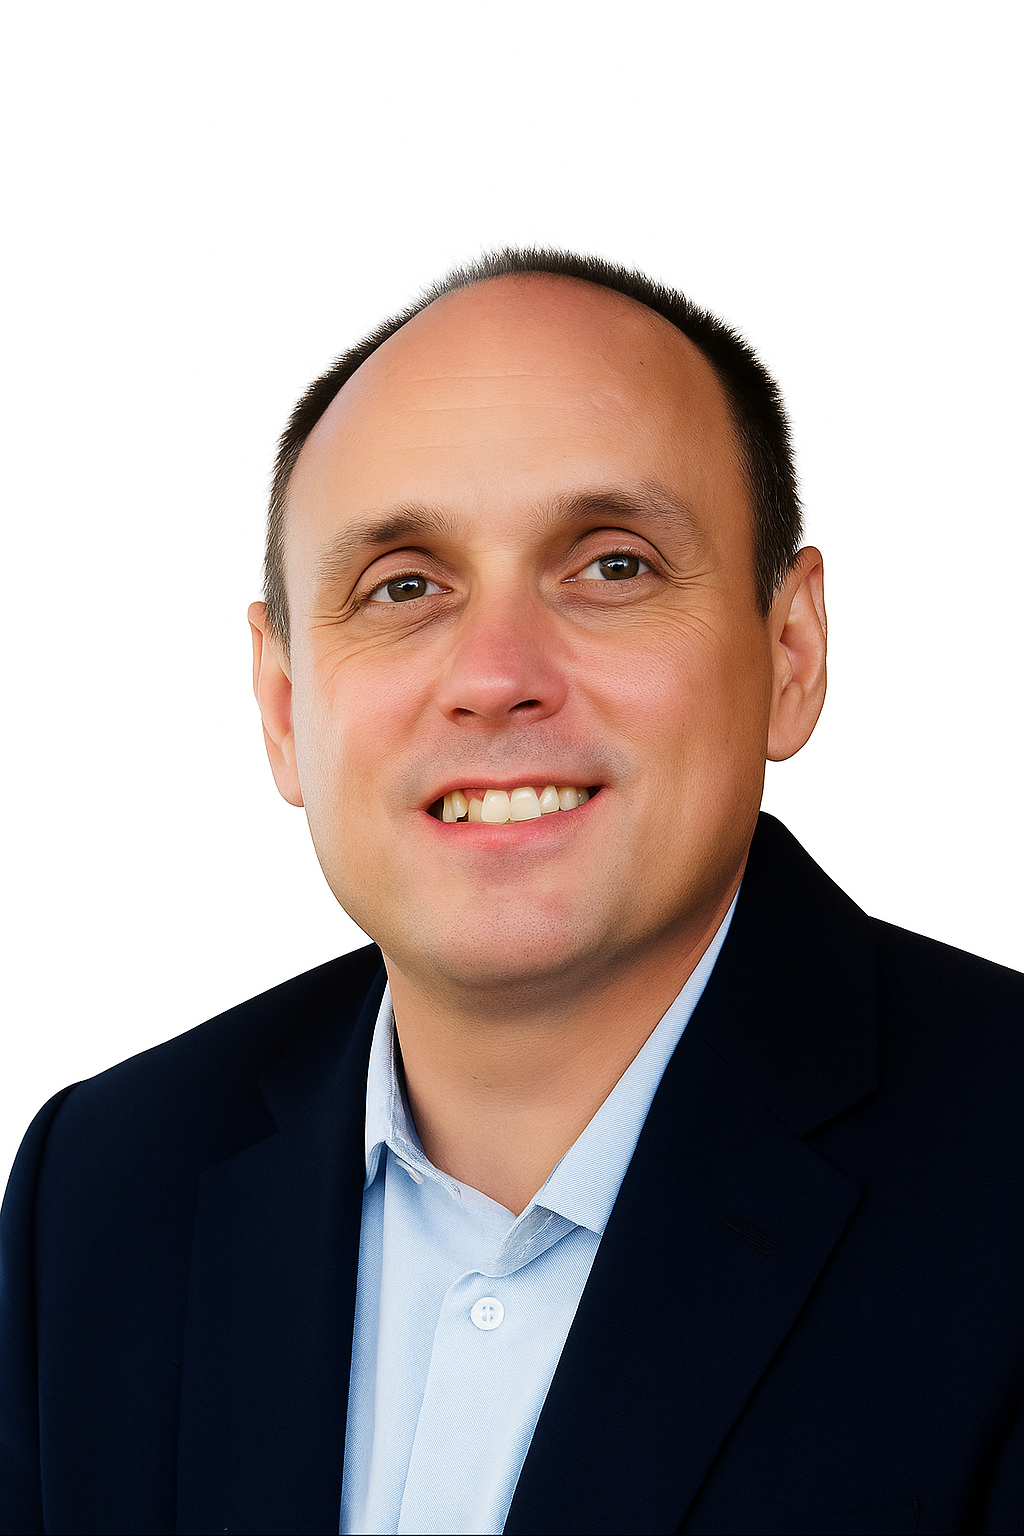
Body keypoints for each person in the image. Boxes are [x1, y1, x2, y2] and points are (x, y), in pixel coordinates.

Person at [2, 249, 1022, 1536]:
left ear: (789, 652)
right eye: (404, 586)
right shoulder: (101, 1189)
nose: (494, 676)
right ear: (283, 706)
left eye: (612, 566)